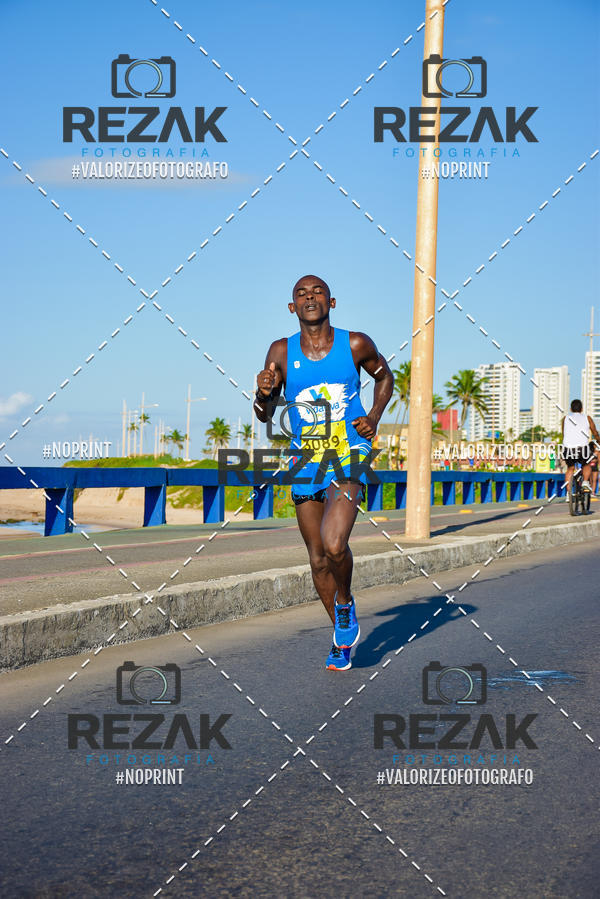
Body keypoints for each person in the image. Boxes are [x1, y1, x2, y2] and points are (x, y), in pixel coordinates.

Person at [254, 275, 393, 670]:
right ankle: (342, 636)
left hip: (349, 451)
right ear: (291, 307)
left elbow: (385, 377)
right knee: (317, 559)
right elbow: (265, 414)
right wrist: (263, 394)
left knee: (335, 544)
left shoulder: (355, 344)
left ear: (332, 301)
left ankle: (345, 601)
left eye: (317, 292)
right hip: (305, 459)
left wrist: (373, 417)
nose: (309, 298)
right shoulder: (280, 352)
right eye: (301, 294)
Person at [560, 399, 600, 496]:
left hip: (568, 448)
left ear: (571, 409)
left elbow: (564, 433)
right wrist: (598, 440)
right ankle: (585, 482)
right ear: (581, 409)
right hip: (582, 448)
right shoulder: (587, 418)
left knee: (570, 468)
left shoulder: (565, 418)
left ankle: (568, 495)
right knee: (586, 464)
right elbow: (594, 432)